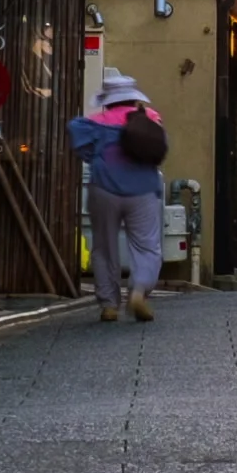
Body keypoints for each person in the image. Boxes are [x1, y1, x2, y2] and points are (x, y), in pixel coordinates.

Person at [68, 70, 167, 322]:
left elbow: (75, 133)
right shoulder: (150, 119)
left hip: (104, 189)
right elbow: (160, 147)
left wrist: (96, 157)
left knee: (104, 247)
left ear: (107, 100)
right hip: (143, 189)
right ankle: (139, 291)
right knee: (146, 245)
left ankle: (109, 304)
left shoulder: (95, 122)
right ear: (134, 99)